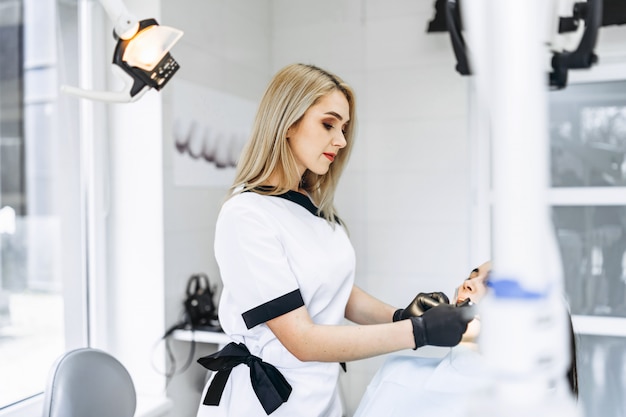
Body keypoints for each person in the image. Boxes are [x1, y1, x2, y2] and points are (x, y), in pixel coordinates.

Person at [194, 63, 473, 417]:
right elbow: (302, 340)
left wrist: (401, 315)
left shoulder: (312, 207)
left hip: (319, 394)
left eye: (343, 128)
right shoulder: (247, 215)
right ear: (287, 123)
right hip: (264, 404)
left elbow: (335, 291)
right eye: (328, 124)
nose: (340, 141)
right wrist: (417, 332)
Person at [353, 261, 579, 417]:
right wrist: (405, 321)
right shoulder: (396, 373)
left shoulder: (536, 407)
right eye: (472, 276)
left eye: (490, 283)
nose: (467, 284)